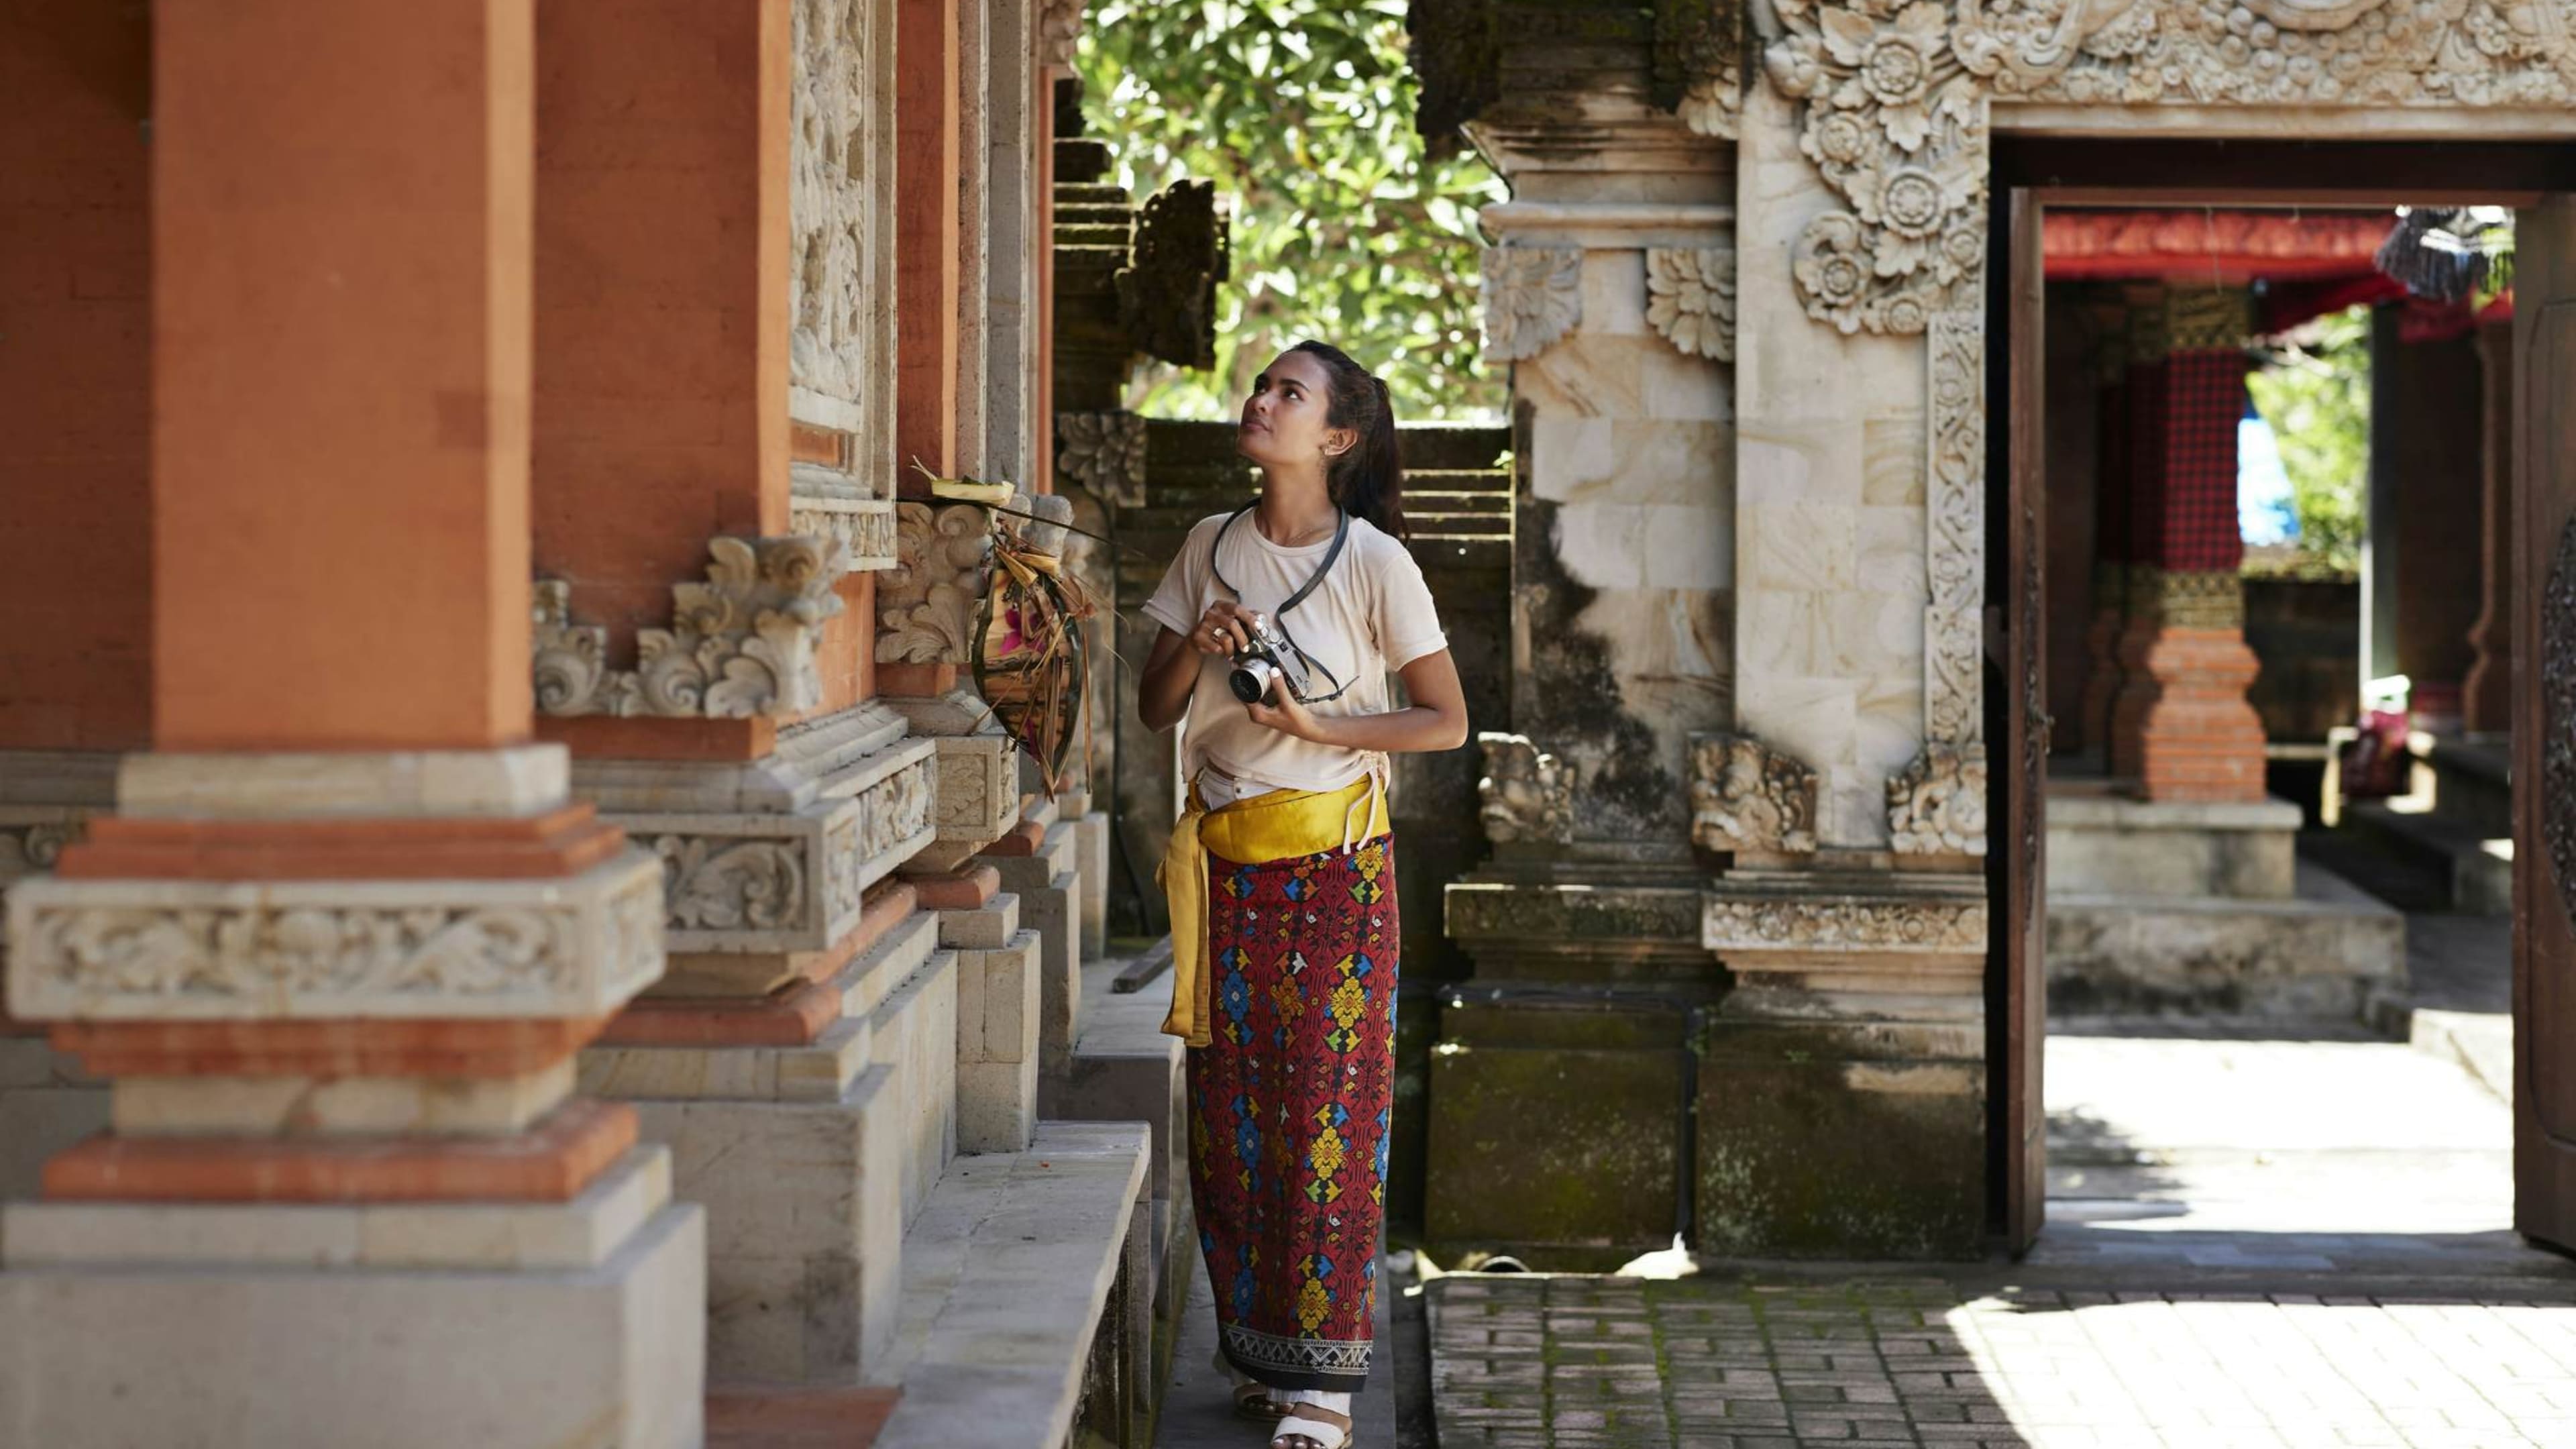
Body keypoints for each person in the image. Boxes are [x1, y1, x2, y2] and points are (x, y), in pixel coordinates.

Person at [1138, 341, 1468, 1449]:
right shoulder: (1209, 544)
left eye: (1291, 392)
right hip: (1225, 865)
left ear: (1337, 437)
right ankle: (1260, 1356)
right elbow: (1154, 708)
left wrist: (1320, 725)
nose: (1261, 399)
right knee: (1230, 1121)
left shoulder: (1376, 561)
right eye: (1262, 385)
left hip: (1337, 869)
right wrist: (1197, 639)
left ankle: (1323, 1389)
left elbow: (1444, 721)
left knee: (1329, 1114)